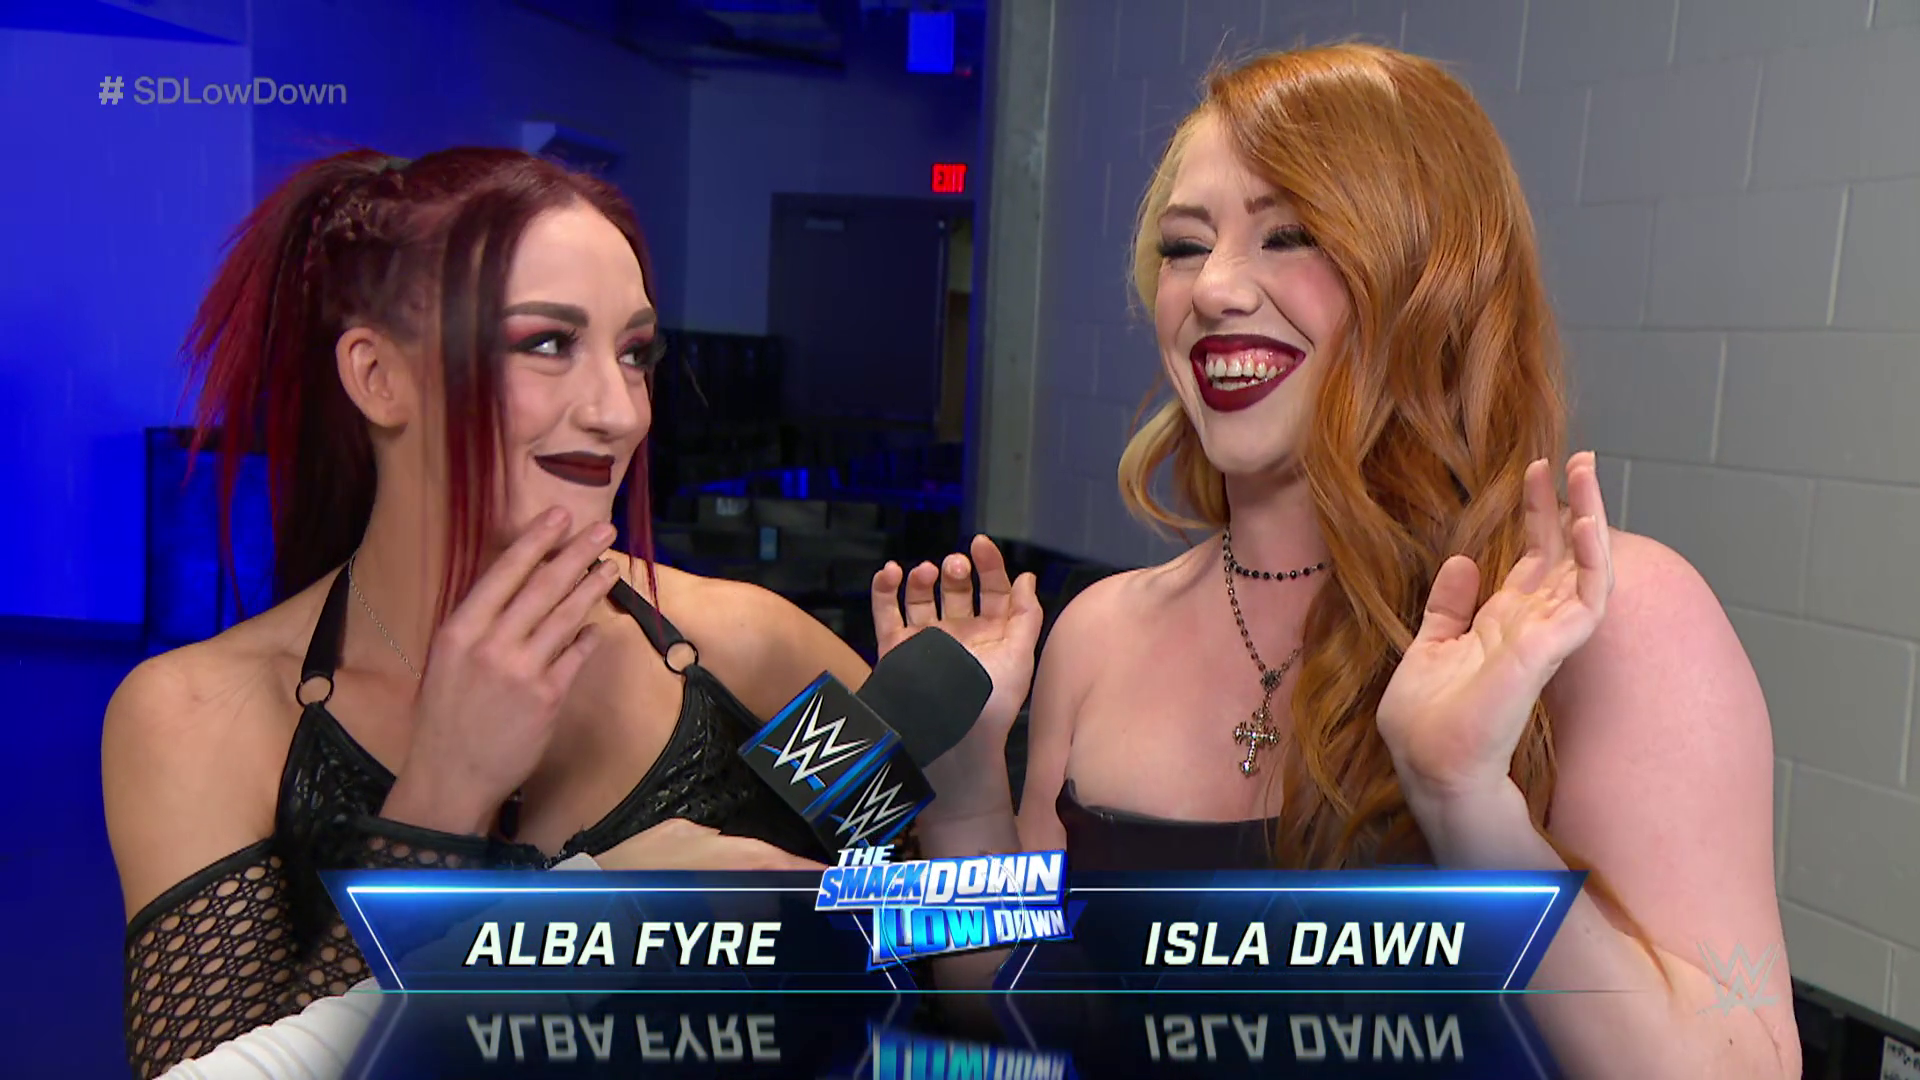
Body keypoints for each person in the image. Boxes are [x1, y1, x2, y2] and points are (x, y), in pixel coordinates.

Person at [898, 45, 1798, 1077]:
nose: (1214, 289)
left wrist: (1467, 804)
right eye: (1184, 248)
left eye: (1289, 235)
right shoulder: (1099, 633)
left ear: (1434, 277)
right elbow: (1013, 1010)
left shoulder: (1608, 620)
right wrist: (963, 798)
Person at [101, 147, 1041, 1079]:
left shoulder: (747, 656)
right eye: (548, 343)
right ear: (379, 376)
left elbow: (978, 990)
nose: (619, 412)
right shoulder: (201, 719)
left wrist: (965, 792)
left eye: (634, 354)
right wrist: (447, 795)